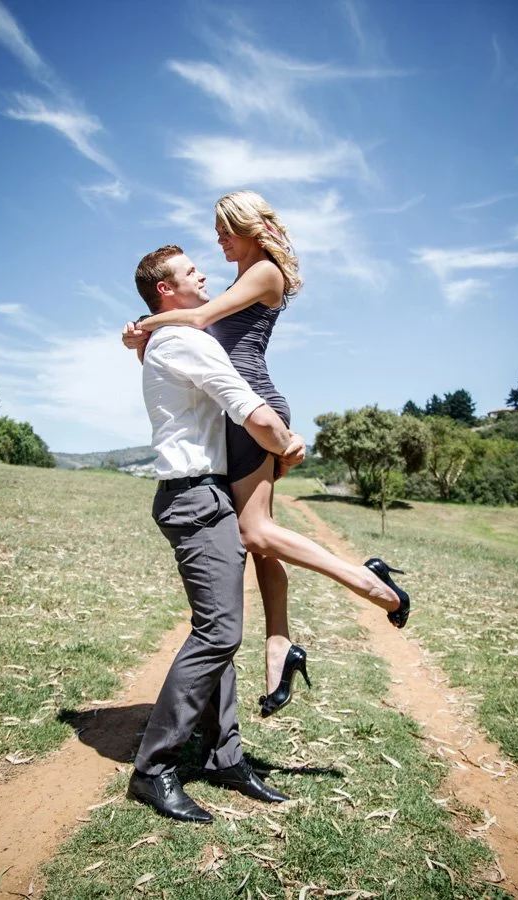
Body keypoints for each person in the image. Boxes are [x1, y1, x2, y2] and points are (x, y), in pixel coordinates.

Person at [123, 192, 409, 718]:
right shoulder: (241, 278)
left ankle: (369, 581)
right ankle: (279, 647)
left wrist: (144, 326)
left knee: (254, 532)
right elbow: (194, 331)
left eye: (224, 230)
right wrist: (141, 336)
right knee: (262, 539)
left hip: (253, 408)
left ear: (250, 228)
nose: (218, 241)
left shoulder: (266, 273)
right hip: (234, 412)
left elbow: (200, 318)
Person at [127, 245, 307, 823]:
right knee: (219, 633)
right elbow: (247, 409)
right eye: (190, 272)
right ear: (165, 290)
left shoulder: (166, 341)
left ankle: (226, 757)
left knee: (220, 630)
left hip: (205, 494)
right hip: (194, 496)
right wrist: (287, 444)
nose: (204, 273)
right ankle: (153, 770)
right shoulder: (185, 339)